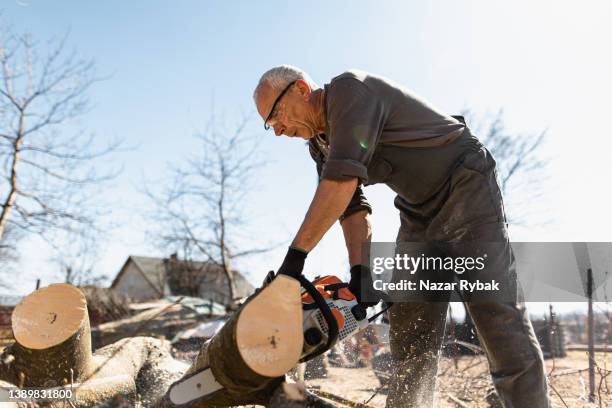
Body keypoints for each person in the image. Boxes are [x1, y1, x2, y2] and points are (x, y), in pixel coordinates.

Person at [252, 65, 550, 408]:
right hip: (418, 211)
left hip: (465, 185)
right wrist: (360, 273)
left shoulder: (350, 92)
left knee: (493, 308)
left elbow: (340, 182)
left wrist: (294, 261)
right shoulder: (320, 147)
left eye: (275, 115)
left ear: (301, 89)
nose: (277, 130)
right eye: (269, 125)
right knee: (411, 319)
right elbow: (350, 207)